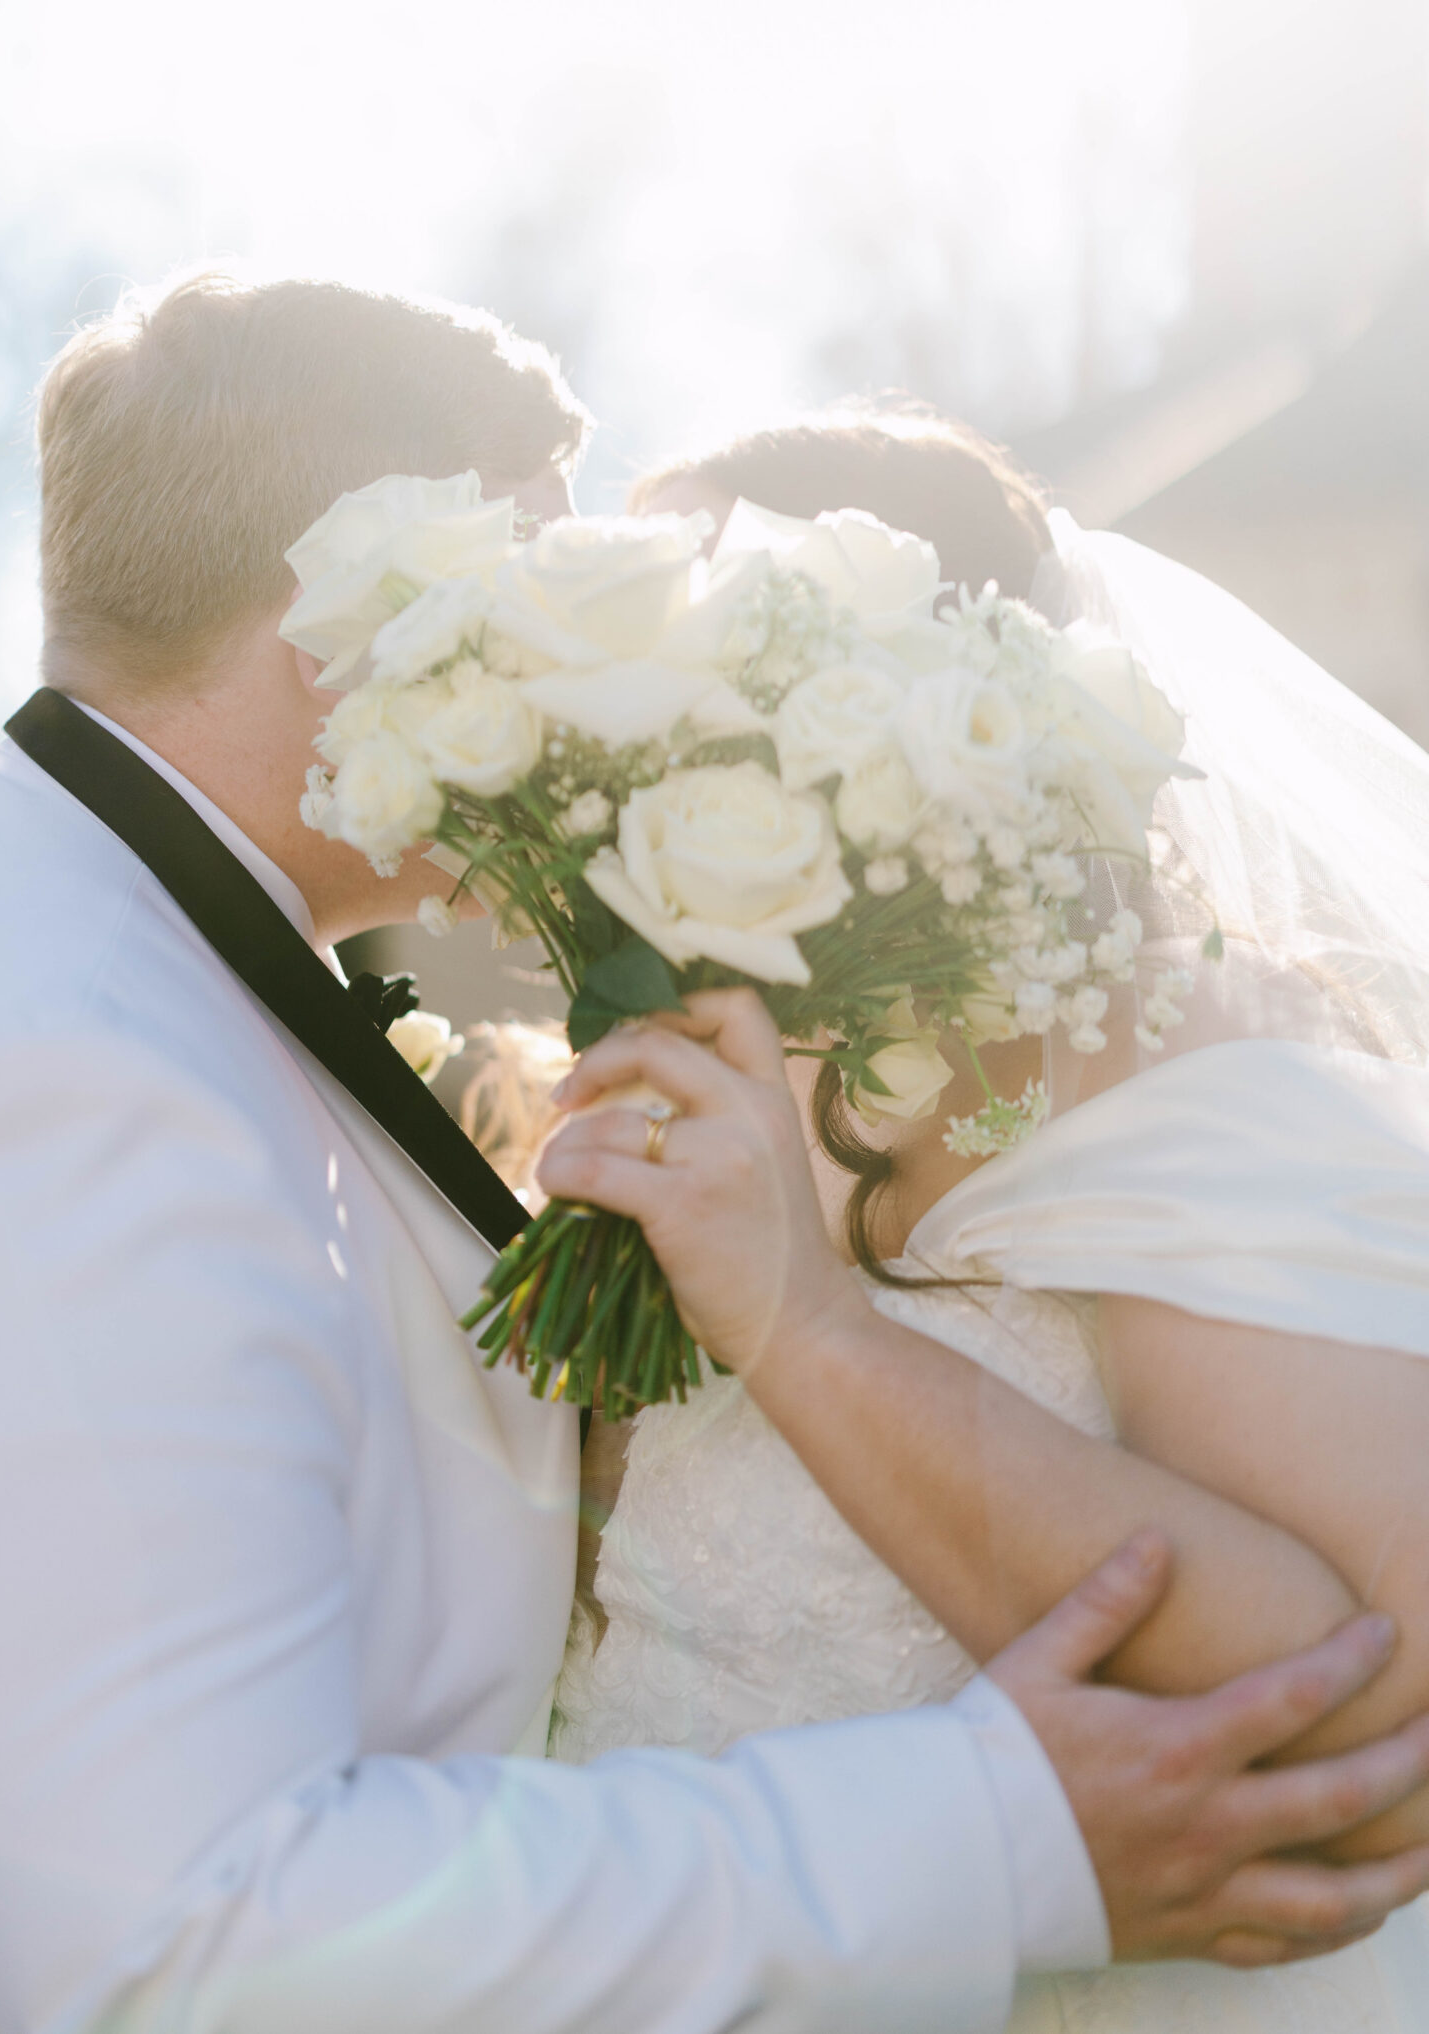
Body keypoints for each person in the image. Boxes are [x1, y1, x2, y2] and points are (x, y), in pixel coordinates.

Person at [0, 288, 1425, 2034]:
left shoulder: (144, 974)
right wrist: (994, 1836)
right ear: (342, 626)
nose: (576, 708)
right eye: (539, 607)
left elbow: (1360, 1691)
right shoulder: (57, 1045)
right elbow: (184, 1938)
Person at [544, 408, 1429, 2026]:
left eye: (690, 634)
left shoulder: (1157, 1038)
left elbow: (1375, 1716)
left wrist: (802, 1327)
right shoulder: (711, 1066)